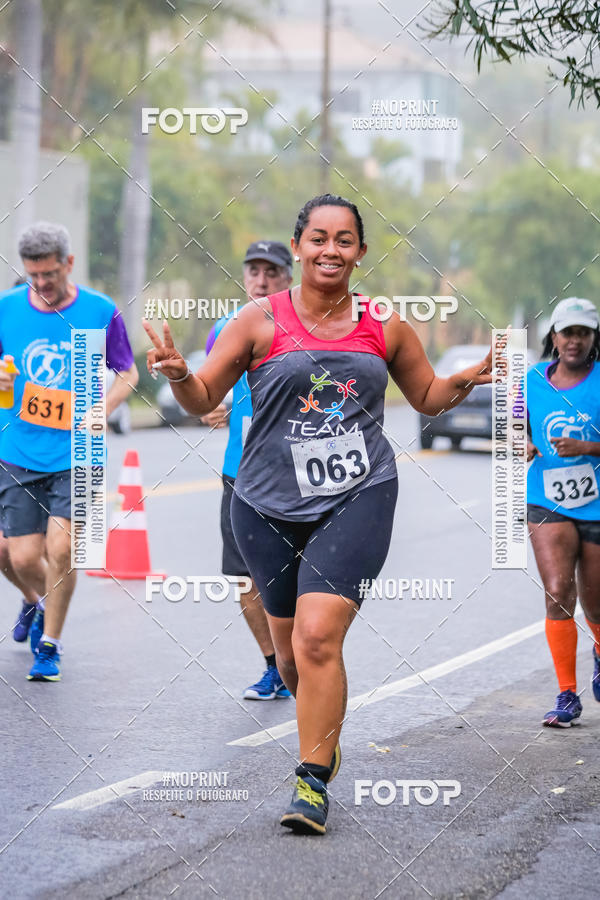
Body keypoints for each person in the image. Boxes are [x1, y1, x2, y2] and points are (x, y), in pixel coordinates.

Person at [144, 193, 493, 835]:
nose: (331, 249)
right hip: (265, 504)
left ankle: (310, 784)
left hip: (359, 495)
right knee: (288, 662)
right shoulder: (257, 321)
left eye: (345, 240)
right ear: (300, 245)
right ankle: (322, 736)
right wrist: (177, 374)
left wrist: (472, 374)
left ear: (361, 251)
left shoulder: (385, 326)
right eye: (319, 238)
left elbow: (427, 398)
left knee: (317, 638)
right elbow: (202, 400)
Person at [0, 221, 138, 681]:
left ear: (69, 264)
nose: (41, 285)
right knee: (19, 557)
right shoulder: (7, 309)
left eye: (50, 275)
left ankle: (50, 645)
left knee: (61, 549)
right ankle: (37, 603)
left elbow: (128, 373)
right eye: (33, 275)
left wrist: (104, 407)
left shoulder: (100, 311)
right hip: (18, 449)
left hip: (80, 451)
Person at [201, 240, 294, 700]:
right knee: (244, 578)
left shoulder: (306, 326)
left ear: (288, 277)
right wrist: (210, 405)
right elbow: (211, 389)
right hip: (240, 472)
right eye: (253, 270)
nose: (261, 279)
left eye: (271, 271)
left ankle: (303, 660)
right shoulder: (225, 327)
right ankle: (275, 666)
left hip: (296, 475)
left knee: (295, 578)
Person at [526, 296, 600, 727]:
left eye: (583, 333)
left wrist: (588, 447)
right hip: (547, 498)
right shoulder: (532, 379)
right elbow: (514, 425)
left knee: (595, 603)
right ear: (553, 336)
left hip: (596, 503)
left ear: (593, 339)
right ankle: (566, 695)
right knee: (557, 590)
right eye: (567, 332)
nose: (574, 340)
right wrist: (524, 442)